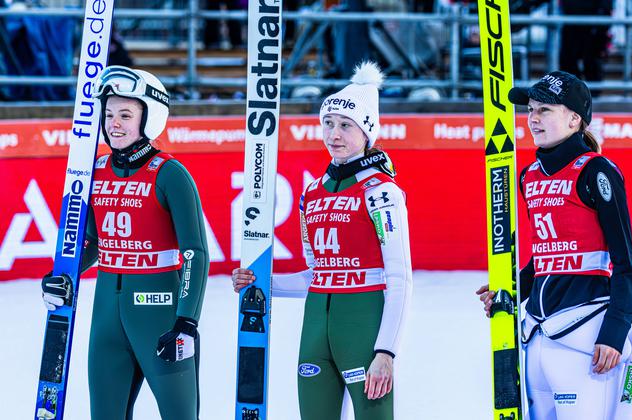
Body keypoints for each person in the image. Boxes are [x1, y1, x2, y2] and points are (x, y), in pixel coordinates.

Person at [476, 71, 632, 419]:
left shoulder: (597, 171)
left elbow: (625, 261)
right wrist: (511, 290)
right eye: (530, 109)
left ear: (574, 118)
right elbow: (544, 257)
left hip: (585, 327)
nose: (533, 118)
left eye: (545, 109)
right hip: (536, 333)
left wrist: (613, 332)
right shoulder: (528, 175)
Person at [233, 61, 412, 420]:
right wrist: (261, 283)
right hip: (315, 331)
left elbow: (399, 278)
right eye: (328, 124)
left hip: (363, 330)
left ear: (366, 132)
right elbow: (316, 275)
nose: (334, 134)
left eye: (346, 126)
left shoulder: (382, 192)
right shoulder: (312, 193)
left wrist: (386, 352)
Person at [41, 66, 209, 420]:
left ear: (150, 119)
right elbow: (89, 244)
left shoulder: (170, 174)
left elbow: (196, 253)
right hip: (106, 316)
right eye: (109, 114)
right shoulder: (94, 170)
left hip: (160, 314)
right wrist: (64, 275)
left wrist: (186, 322)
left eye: (125, 115)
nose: (114, 123)